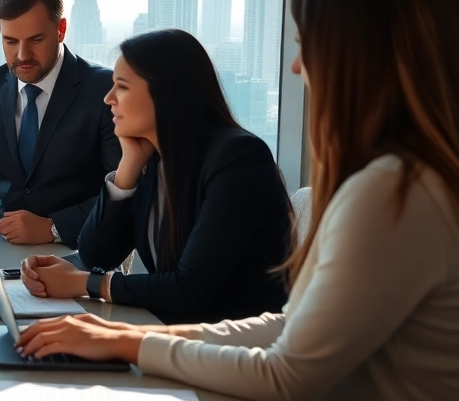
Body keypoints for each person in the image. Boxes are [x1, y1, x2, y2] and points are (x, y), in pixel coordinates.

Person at [16, 0, 459, 401]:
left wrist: (128, 341)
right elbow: (286, 327)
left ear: (361, 55)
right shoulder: (408, 182)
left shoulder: (393, 193)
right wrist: (124, 338)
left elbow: (287, 373)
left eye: (310, 45)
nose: (298, 66)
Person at [19, 29, 292, 323]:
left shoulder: (239, 159)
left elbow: (190, 289)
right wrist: (129, 165)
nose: (108, 98)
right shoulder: (157, 160)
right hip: (177, 338)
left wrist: (84, 283)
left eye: (121, 87)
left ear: (166, 94)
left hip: (234, 353)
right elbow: (96, 254)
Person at [0, 0, 121, 246]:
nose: (22, 55)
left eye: (35, 39)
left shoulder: (102, 89)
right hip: (1, 249)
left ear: (60, 29)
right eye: (10, 41)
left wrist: (55, 228)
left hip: (79, 252)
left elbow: (122, 189)